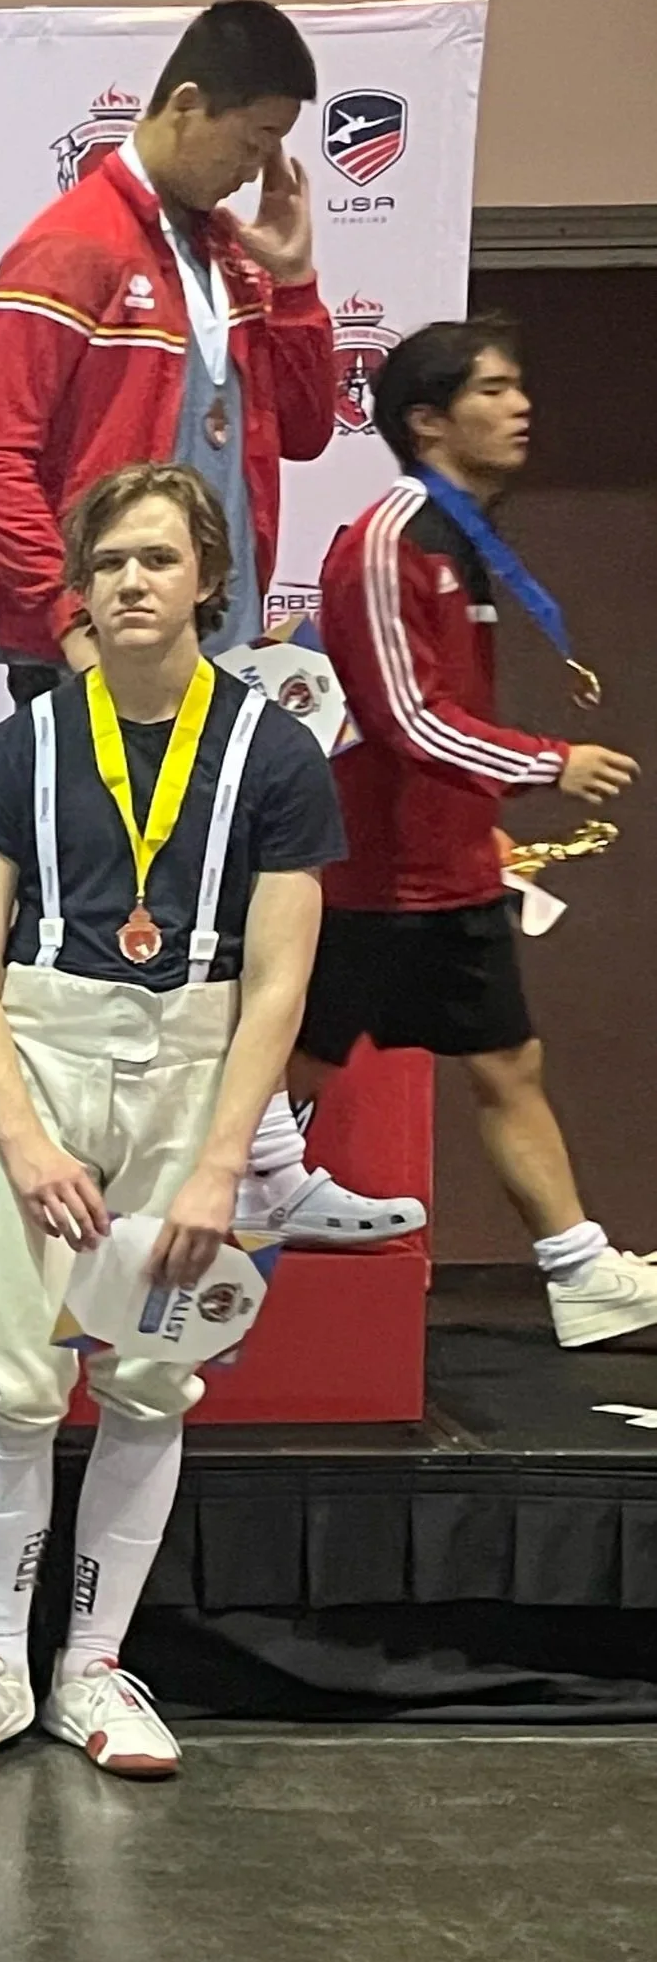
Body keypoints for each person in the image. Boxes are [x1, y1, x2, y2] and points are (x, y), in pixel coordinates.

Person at [0, 0, 416, 1250]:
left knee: (224, 913)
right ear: (183, 106)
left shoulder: (219, 253)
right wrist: (70, 617)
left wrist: (298, 276)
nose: (260, 167)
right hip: (90, 653)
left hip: (220, 643)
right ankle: (61, 1166)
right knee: (104, 926)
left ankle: (250, 1163)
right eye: (250, 139)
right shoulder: (69, 248)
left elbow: (309, 425)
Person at [0, 462, 341, 1784]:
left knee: (148, 1376)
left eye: (157, 559)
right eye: (108, 565)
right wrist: (23, 1138)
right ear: (79, 589)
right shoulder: (18, 747)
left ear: (208, 579)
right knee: (16, 1382)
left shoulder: (271, 750)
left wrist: (223, 1160)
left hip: (191, 1079)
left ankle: (89, 1667)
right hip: (40, 1057)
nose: (131, 583)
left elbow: (278, 975)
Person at [295, 321, 656, 1346]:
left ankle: (577, 1270)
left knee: (506, 1061)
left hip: (446, 865)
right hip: (374, 873)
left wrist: (482, 829)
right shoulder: (385, 536)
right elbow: (401, 717)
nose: (518, 407)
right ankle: (217, 1205)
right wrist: (550, 763)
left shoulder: (460, 540)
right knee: (300, 1062)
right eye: (492, 391)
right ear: (424, 419)